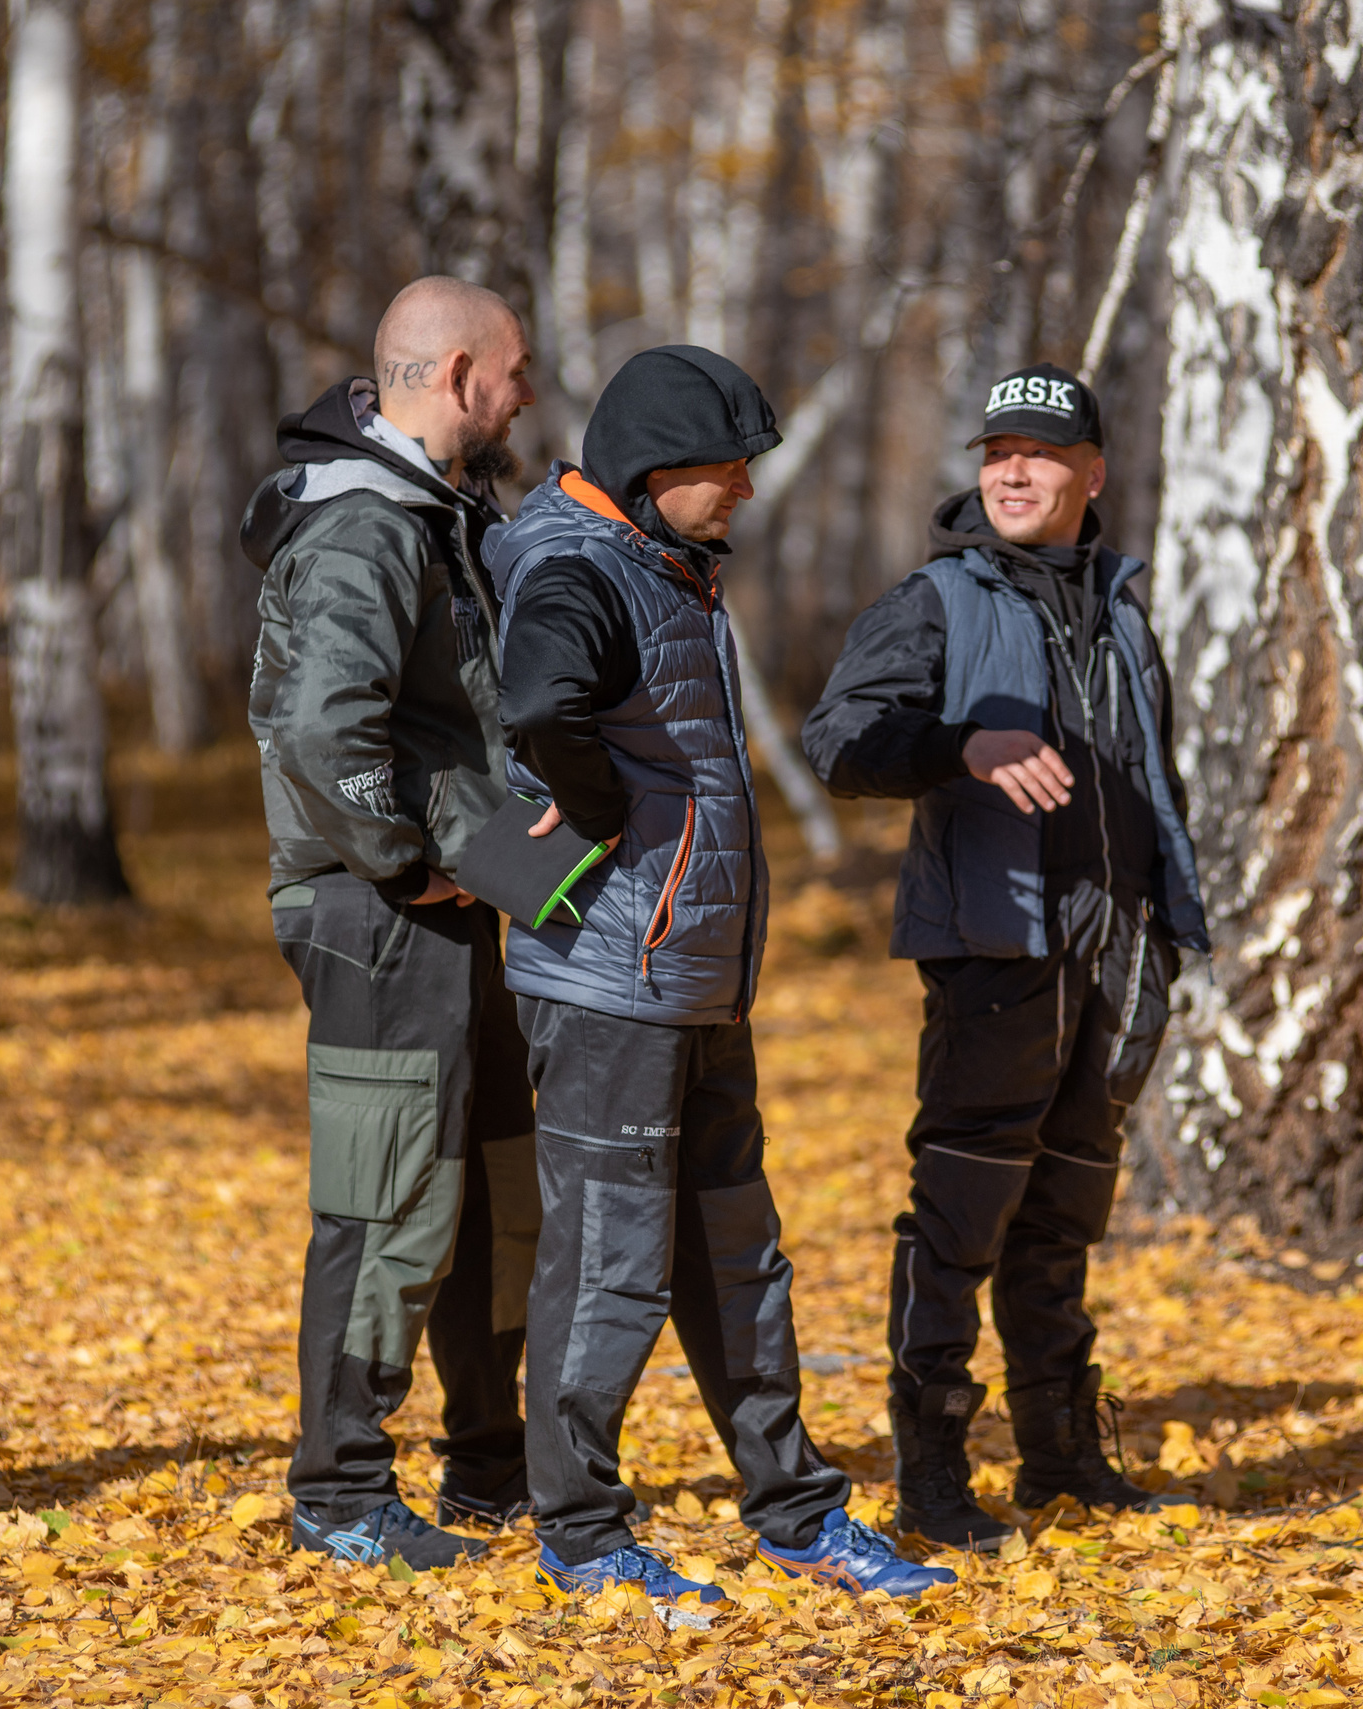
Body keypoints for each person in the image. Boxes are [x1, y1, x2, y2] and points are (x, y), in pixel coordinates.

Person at [485, 346, 955, 1611]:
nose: (745, 488)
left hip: (686, 979)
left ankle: (796, 1510)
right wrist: (594, 811)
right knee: (606, 1264)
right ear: (655, 472)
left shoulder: (661, 565)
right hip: (606, 984)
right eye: (730, 468)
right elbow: (538, 704)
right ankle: (581, 1533)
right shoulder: (578, 564)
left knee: (737, 1254)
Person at [801, 361, 1211, 1551]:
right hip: (996, 946)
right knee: (960, 1215)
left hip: (1117, 949)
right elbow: (841, 739)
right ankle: (929, 1468)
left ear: (1093, 473)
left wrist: (1167, 916)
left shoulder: (1121, 601)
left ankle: (1061, 1457)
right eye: (994, 453)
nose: (1012, 470)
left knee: (1064, 1208)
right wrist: (959, 744)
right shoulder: (936, 600)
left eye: (1038, 452)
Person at [240, 277, 542, 1570]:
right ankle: (342, 1494)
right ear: (462, 372)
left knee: (487, 1191)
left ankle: (490, 1463)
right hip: (380, 914)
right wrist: (403, 858)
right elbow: (320, 726)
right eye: (518, 374)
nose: (526, 398)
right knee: (389, 1196)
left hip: (448, 909)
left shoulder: (428, 510)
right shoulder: (364, 521)